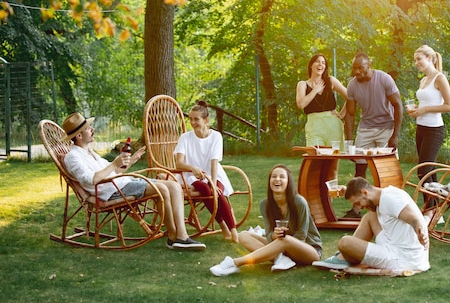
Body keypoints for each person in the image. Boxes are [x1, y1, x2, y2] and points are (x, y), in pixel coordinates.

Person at [61, 112, 205, 251]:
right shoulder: (73, 157)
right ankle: (175, 237)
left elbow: (115, 172)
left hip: (123, 183)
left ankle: (181, 235)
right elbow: (92, 179)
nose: (92, 129)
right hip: (113, 191)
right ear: (79, 135)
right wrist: (114, 163)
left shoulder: (90, 153)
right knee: (162, 189)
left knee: (174, 186)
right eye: (87, 128)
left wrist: (131, 161)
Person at [210, 165, 322, 276]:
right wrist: (275, 235)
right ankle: (281, 259)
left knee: (285, 240)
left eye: (282, 177)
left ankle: (235, 263)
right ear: (269, 181)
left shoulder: (299, 202)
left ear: (288, 182)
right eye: (274, 176)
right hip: (282, 246)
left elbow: (302, 235)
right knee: (243, 235)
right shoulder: (265, 204)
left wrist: (282, 243)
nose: (277, 179)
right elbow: (269, 235)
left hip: (309, 250)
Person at [312, 177, 430, 273]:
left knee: (345, 242)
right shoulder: (384, 195)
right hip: (394, 244)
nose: (359, 207)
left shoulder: (390, 199)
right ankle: (344, 257)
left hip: (402, 259)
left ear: (365, 192)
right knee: (370, 216)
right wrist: (345, 188)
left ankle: (344, 257)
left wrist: (420, 230)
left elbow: (413, 218)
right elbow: (359, 189)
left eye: (358, 203)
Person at [344, 53, 403, 217]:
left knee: (387, 170)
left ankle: (392, 209)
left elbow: (398, 105)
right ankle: (355, 209)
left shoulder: (384, 79)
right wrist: (349, 141)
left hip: (386, 128)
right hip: (366, 128)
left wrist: (395, 135)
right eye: (354, 68)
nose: (357, 71)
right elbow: (350, 114)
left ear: (369, 64)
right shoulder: (352, 85)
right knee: (360, 167)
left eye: (360, 68)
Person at [174, 100, 239, 243]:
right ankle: (223, 225)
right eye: (190, 119)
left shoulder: (216, 136)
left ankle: (233, 229)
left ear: (206, 120)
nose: (192, 122)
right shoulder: (185, 138)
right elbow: (179, 163)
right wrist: (193, 168)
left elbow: (214, 162)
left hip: (214, 174)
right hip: (191, 176)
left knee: (217, 192)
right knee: (205, 188)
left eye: (196, 119)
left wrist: (214, 182)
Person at [408, 45, 450, 220]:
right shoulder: (423, 81)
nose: (416, 63)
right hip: (421, 129)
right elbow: (424, 105)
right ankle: (436, 212)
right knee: (431, 171)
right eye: (415, 60)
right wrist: (416, 110)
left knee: (423, 171)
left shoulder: (439, 78)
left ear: (430, 58)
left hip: (434, 131)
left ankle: (429, 210)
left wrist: (425, 109)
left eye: (419, 59)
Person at [296, 53, 348, 147]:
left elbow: (351, 97)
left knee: (333, 157)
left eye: (323, 63)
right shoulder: (302, 84)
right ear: (311, 65)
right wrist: (315, 90)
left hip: (333, 125)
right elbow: (301, 104)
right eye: (317, 62)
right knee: (315, 157)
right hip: (314, 126)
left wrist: (342, 114)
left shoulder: (331, 81)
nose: (320, 64)